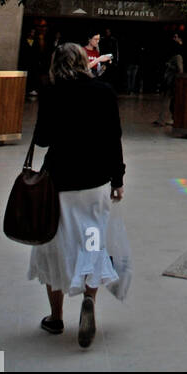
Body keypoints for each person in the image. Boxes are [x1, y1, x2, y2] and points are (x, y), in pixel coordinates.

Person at [28, 43, 129, 349]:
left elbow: (42, 139)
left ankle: (56, 316)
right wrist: (118, 178)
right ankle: (88, 299)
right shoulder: (104, 92)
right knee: (92, 242)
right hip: (95, 181)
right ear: (85, 62)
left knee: (53, 246)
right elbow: (114, 137)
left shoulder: (51, 92)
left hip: (58, 181)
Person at [154, 35, 183, 126]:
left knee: (168, 101)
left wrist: (169, 65)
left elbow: (180, 70)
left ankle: (163, 119)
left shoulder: (177, 57)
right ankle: (167, 119)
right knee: (169, 102)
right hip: (170, 81)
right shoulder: (174, 56)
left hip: (172, 82)